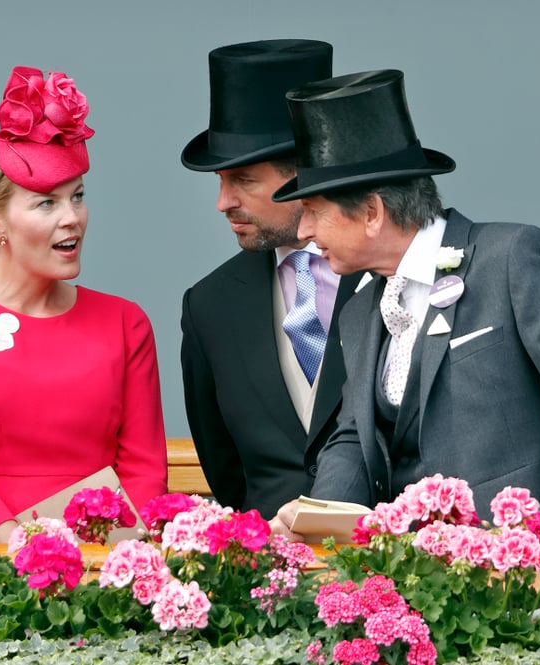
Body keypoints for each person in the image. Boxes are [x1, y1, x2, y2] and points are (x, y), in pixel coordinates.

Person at [268, 69, 540, 536]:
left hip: (518, 585)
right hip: (411, 584)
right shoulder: (357, 311)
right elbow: (353, 439)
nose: (303, 232)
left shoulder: (510, 258)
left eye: (313, 211)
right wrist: (313, 527)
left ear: (371, 213)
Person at [0, 66, 168, 543]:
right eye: (46, 203)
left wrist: (116, 559)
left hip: (107, 561)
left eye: (78, 197)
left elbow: (145, 471)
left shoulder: (126, 322)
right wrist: (25, 552)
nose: (72, 219)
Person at [179, 39, 363, 519]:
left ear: (304, 174)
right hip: (270, 579)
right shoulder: (209, 305)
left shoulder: (385, 277)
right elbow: (226, 472)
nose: (223, 202)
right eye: (220, 181)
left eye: (242, 181)